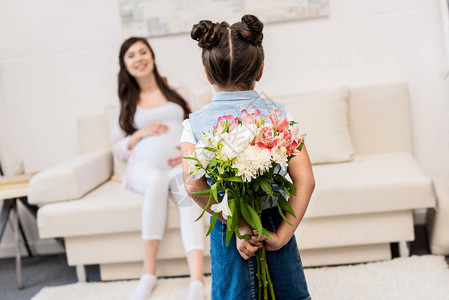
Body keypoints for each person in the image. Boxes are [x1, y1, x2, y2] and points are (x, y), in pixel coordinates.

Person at [180, 15, 315, 300]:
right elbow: (306, 180)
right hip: (275, 221)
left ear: (207, 73)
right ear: (260, 70)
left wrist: (240, 225)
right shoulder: (277, 114)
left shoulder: (194, 124)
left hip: (230, 229)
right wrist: (282, 235)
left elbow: (193, 186)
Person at [111, 37, 205, 300]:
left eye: (143, 52)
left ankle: (196, 281)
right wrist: (139, 134)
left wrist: (190, 150)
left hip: (178, 165)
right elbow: (117, 146)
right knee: (155, 182)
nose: (139, 58)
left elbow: (200, 120)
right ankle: (148, 274)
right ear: (125, 64)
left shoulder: (173, 86)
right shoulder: (127, 99)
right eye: (131, 55)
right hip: (144, 168)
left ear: (152, 57)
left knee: (188, 190)